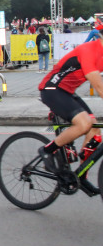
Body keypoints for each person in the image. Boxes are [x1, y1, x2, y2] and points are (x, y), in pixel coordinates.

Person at [37, 32, 103, 196]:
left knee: (95, 133)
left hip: (68, 92)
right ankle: (47, 150)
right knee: (85, 124)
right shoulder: (89, 50)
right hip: (52, 89)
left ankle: (81, 176)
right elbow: (98, 85)